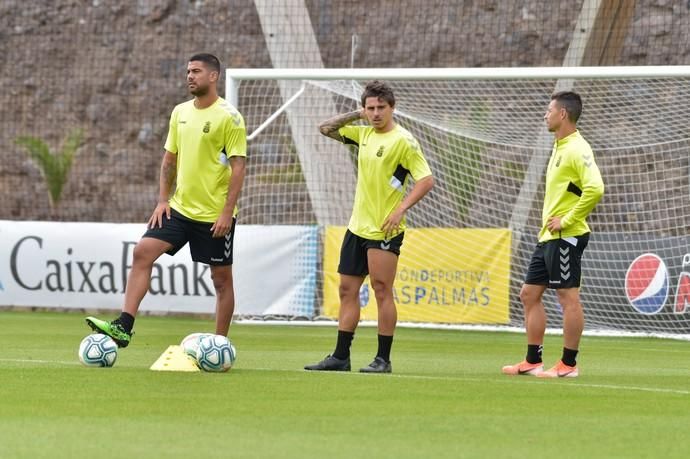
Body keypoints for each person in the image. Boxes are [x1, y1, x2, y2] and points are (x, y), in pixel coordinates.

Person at [85, 53, 247, 347]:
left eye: (196, 71)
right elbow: (169, 160)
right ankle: (124, 325)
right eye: (188, 71)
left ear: (213, 76)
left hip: (213, 215)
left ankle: (220, 343)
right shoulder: (180, 112)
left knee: (221, 280)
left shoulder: (230, 117)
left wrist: (226, 212)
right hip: (180, 209)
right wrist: (162, 200)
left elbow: (238, 167)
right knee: (143, 252)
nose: (189, 76)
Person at [304, 81, 434, 374]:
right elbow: (325, 128)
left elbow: (426, 180)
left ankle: (383, 359)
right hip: (357, 227)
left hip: (385, 230)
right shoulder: (362, 134)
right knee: (347, 290)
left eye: (381, 108)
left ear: (392, 108)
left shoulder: (404, 140)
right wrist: (355, 114)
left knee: (381, 290)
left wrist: (400, 210)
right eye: (371, 108)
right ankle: (340, 356)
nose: (375, 113)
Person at [502, 91, 604, 378]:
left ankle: (568, 365)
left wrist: (569, 219)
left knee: (567, 297)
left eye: (549, 110)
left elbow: (595, 188)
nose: (544, 115)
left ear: (562, 114)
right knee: (528, 294)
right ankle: (533, 360)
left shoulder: (577, 148)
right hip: (548, 236)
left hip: (566, 236)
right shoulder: (560, 147)